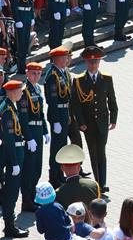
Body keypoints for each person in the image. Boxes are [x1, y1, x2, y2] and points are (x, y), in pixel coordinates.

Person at [70, 45, 117, 192]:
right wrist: (81, 122)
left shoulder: (106, 79)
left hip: (102, 122)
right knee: (93, 153)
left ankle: (103, 182)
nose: (93, 65)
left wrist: (114, 119)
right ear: (86, 62)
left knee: (101, 152)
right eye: (91, 62)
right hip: (88, 124)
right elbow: (76, 104)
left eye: (96, 62)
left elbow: (112, 100)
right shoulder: (79, 81)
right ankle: (98, 183)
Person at [0, 80, 29, 237]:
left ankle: (10, 224)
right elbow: (9, 139)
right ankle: (10, 227)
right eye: (20, 90)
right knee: (11, 192)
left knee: (9, 192)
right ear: (12, 92)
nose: (22, 93)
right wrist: (14, 163)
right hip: (12, 155)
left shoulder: (10, 107)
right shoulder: (8, 111)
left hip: (14, 152)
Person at [18, 61, 48, 211]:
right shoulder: (25, 92)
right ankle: (26, 201)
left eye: (39, 74)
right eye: (33, 73)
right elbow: (23, 118)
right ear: (27, 74)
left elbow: (40, 113)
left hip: (38, 131)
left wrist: (45, 130)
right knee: (29, 169)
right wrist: (28, 138)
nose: (36, 76)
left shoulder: (37, 89)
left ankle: (32, 197)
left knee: (37, 168)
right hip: (30, 131)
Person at [45, 45, 73, 186]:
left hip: (64, 112)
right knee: (57, 147)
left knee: (62, 145)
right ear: (56, 59)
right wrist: (55, 121)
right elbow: (52, 100)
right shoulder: (52, 76)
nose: (66, 60)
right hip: (57, 114)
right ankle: (54, 176)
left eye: (66, 57)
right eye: (63, 58)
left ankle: (60, 174)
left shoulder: (63, 72)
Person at [8, 0, 34, 70]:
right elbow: (14, 4)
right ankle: (21, 67)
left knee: (26, 39)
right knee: (21, 41)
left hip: (27, 13)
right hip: (21, 14)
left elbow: (31, 2)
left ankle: (23, 63)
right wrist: (17, 19)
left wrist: (32, 17)